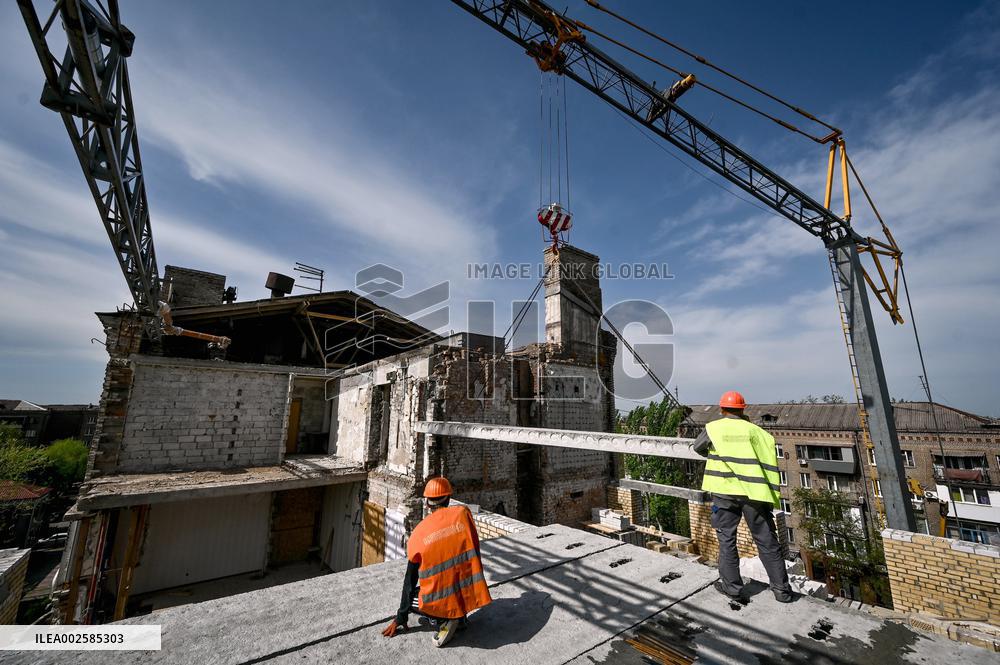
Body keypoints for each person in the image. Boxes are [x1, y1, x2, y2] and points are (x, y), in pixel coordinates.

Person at [693, 390, 795, 603]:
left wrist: (717, 451)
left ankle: (732, 588)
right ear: (742, 410)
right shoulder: (758, 432)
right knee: (766, 541)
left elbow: (698, 447)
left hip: (724, 491)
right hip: (754, 492)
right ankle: (782, 591)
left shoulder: (714, 428)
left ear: (722, 409)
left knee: (727, 539)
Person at [381, 477, 492, 647]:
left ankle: (445, 620)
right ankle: (459, 617)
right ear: (448, 499)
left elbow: (409, 582)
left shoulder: (419, 534)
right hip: (467, 592)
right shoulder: (463, 515)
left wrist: (400, 617)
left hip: (441, 601)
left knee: (414, 599)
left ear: (427, 504)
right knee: (455, 579)